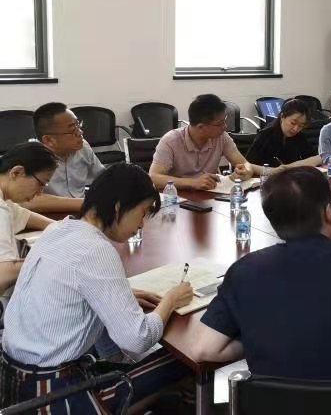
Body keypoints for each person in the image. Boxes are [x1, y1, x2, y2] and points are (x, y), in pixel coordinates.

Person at [1, 164, 195, 412]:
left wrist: (120, 294)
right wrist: (170, 300)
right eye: (142, 213)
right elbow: (137, 340)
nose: (141, 225)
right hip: (52, 395)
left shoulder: (57, 229)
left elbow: (71, 284)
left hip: (12, 381)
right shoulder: (96, 250)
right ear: (118, 207)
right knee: (179, 361)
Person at [189, 167, 331, 379]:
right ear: (328, 212)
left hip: (276, 397)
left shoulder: (244, 272)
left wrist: (258, 339)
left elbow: (204, 349)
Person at [150, 94, 256, 190]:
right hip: (178, 198)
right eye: (220, 124)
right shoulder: (170, 141)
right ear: (201, 127)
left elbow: (244, 164)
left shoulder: (221, 137)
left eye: (225, 121)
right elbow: (154, 178)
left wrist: (245, 171)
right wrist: (193, 183)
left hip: (209, 196)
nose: (225, 127)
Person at [0, 143, 58, 306]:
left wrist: (62, 228)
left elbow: (25, 216)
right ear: (17, 172)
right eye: (41, 184)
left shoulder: (5, 202)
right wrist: (54, 259)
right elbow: (3, 274)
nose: (40, 193)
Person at [24, 102, 104, 213]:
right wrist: (86, 204)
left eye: (78, 125)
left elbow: (102, 177)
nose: (80, 133)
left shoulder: (83, 146)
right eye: (72, 130)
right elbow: (29, 201)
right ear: (49, 140)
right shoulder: (31, 155)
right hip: (49, 214)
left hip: (81, 211)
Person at [246, 100, 323, 169]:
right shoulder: (265, 136)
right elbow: (248, 165)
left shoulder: (299, 136)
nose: (296, 129)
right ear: (282, 117)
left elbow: (312, 158)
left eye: (301, 126)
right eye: (293, 123)